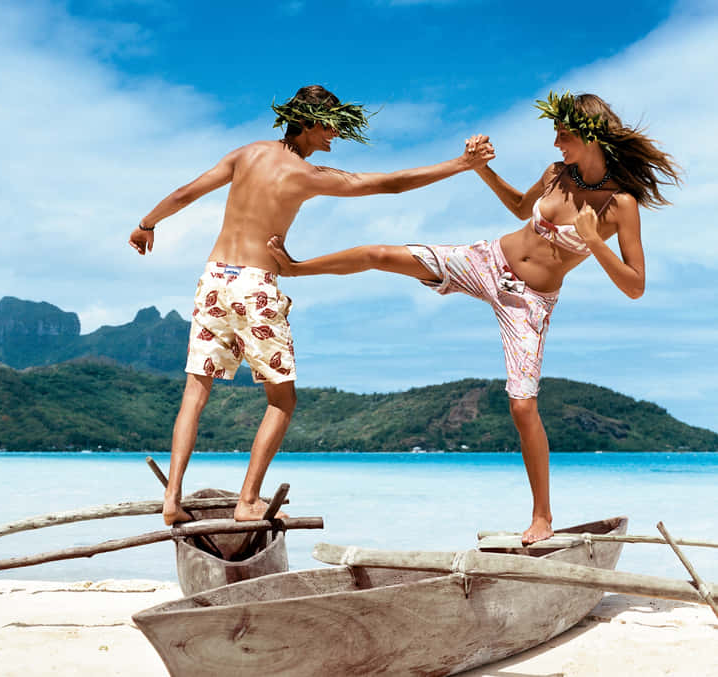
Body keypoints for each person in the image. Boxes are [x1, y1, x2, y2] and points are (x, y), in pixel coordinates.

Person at [268, 91, 681, 543]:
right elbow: (520, 209)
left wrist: (594, 241)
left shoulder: (619, 204)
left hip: (529, 303)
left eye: (563, 135)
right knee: (380, 253)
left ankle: (542, 517)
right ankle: (295, 267)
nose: (557, 144)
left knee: (523, 406)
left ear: (588, 134)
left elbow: (635, 286)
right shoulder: (556, 174)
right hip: (487, 261)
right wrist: (481, 168)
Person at [129, 85, 494, 525]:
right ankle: (248, 501)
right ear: (305, 122)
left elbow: (188, 192)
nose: (335, 135)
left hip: (213, 279)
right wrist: (462, 164)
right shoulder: (306, 175)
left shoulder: (246, 154)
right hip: (255, 285)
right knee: (282, 400)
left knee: (195, 392)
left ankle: (172, 499)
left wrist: (146, 223)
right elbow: (388, 185)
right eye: (330, 125)